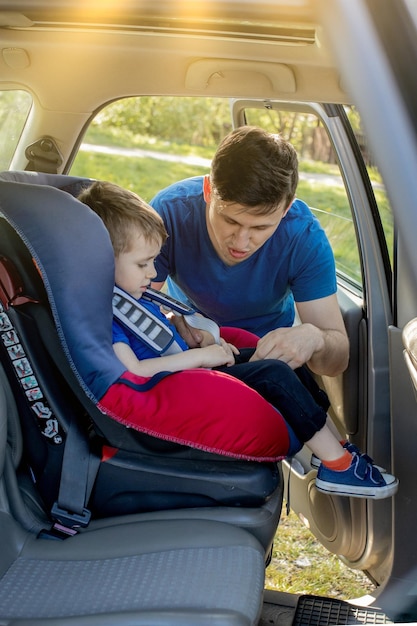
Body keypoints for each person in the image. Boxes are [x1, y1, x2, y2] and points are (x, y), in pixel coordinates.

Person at [78, 180, 398, 499]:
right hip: (175, 390)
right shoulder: (108, 314)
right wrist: (200, 359)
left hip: (186, 373)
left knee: (281, 360)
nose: (152, 272)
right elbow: (134, 372)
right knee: (273, 375)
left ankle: (335, 446)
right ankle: (339, 466)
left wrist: (199, 339)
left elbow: (156, 335)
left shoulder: (134, 296)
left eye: (153, 261)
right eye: (142, 264)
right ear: (104, 260)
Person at [149, 125, 349, 378]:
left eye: (261, 227)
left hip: (263, 358)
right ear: (208, 190)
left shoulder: (304, 238)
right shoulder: (169, 213)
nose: (241, 243)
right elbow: (131, 306)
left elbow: (334, 364)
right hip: (186, 349)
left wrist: (315, 338)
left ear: (287, 208)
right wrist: (167, 319)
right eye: (230, 221)